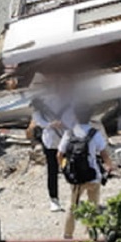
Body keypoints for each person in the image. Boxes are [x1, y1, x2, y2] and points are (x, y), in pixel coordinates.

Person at [58, 118, 115, 240]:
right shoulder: (94, 133)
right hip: (93, 176)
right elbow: (104, 155)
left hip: (76, 178)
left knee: (72, 205)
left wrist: (65, 169)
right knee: (93, 206)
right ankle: (91, 234)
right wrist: (109, 167)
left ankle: (68, 234)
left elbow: (59, 155)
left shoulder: (69, 132)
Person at [30, 74, 77, 212]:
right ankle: (54, 200)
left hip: (68, 138)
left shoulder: (73, 100)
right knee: (52, 171)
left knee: (73, 168)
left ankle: (75, 199)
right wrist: (50, 124)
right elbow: (36, 117)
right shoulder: (47, 101)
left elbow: (77, 117)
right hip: (51, 140)